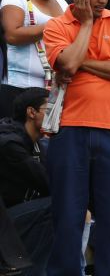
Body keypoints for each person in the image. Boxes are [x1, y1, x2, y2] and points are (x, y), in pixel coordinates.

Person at [42, 0, 110, 274]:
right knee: (68, 218)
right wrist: (84, 26)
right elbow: (67, 65)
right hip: (70, 130)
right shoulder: (57, 26)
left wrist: (85, 62)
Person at [0, 0, 70, 118]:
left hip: (49, 89)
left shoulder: (61, 3)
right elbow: (12, 35)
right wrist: (53, 25)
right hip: (17, 86)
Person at [0, 88, 52, 275]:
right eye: (50, 109)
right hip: (5, 224)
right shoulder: (9, 143)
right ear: (31, 112)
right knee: (56, 207)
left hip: (16, 217)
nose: (57, 116)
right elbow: (48, 183)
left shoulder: (37, 143)